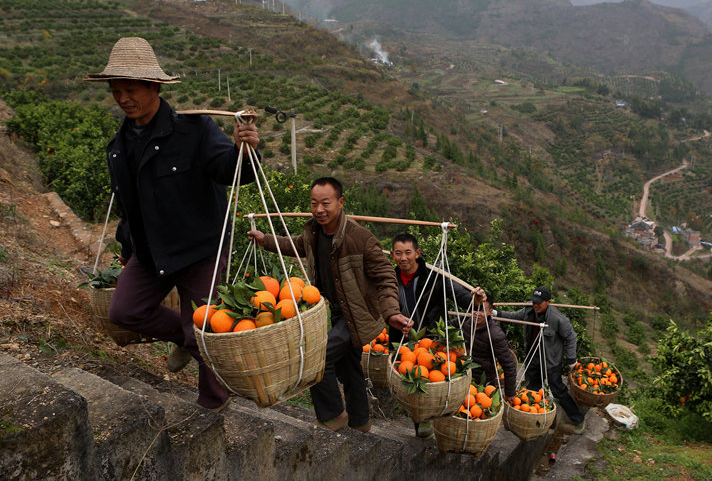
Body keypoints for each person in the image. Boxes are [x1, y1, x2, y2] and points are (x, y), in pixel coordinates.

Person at [85, 36, 260, 411]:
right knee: (125, 312)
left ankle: (214, 405)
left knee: (204, 330)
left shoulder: (194, 130)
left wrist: (245, 149)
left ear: (154, 87)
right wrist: (129, 251)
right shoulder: (119, 145)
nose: (122, 99)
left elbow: (229, 171)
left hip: (200, 249)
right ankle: (184, 339)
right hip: (151, 252)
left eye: (130, 90)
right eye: (116, 92)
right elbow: (130, 208)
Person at [247, 177, 412, 432]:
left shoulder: (360, 238)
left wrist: (391, 312)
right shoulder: (313, 232)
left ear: (340, 202)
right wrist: (265, 239)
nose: (319, 209)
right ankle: (361, 423)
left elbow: (387, 277)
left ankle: (333, 416)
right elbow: (296, 245)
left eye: (326, 203)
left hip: (357, 316)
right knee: (349, 367)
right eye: (314, 203)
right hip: (335, 312)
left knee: (316, 357)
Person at [390, 232, 485, 437]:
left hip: (431, 341)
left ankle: (428, 424)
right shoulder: (389, 277)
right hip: (401, 340)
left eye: (408, 252)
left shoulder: (435, 277)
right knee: (410, 384)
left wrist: (477, 300)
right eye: (398, 253)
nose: (403, 258)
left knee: (431, 382)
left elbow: (464, 299)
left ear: (418, 253)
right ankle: (420, 420)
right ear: (392, 255)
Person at [494, 286, 588, 433]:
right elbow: (514, 316)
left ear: (548, 302)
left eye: (539, 303)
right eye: (534, 302)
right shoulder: (529, 311)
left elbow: (571, 337)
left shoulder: (557, 318)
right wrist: (495, 313)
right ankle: (538, 419)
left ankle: (578, 419)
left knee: (558, 390)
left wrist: (571, 360)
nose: (535, 305)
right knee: (532, 389)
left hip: (551, 361)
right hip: (533, 357)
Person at [461, 295, 518, 401]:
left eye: (482, 310)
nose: (477, 313)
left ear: (490, 312)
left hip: (484, 385)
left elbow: (509, 364)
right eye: (475, 309)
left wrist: (510, 392)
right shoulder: (464, 322)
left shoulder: (495, 334)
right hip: (462, 379)